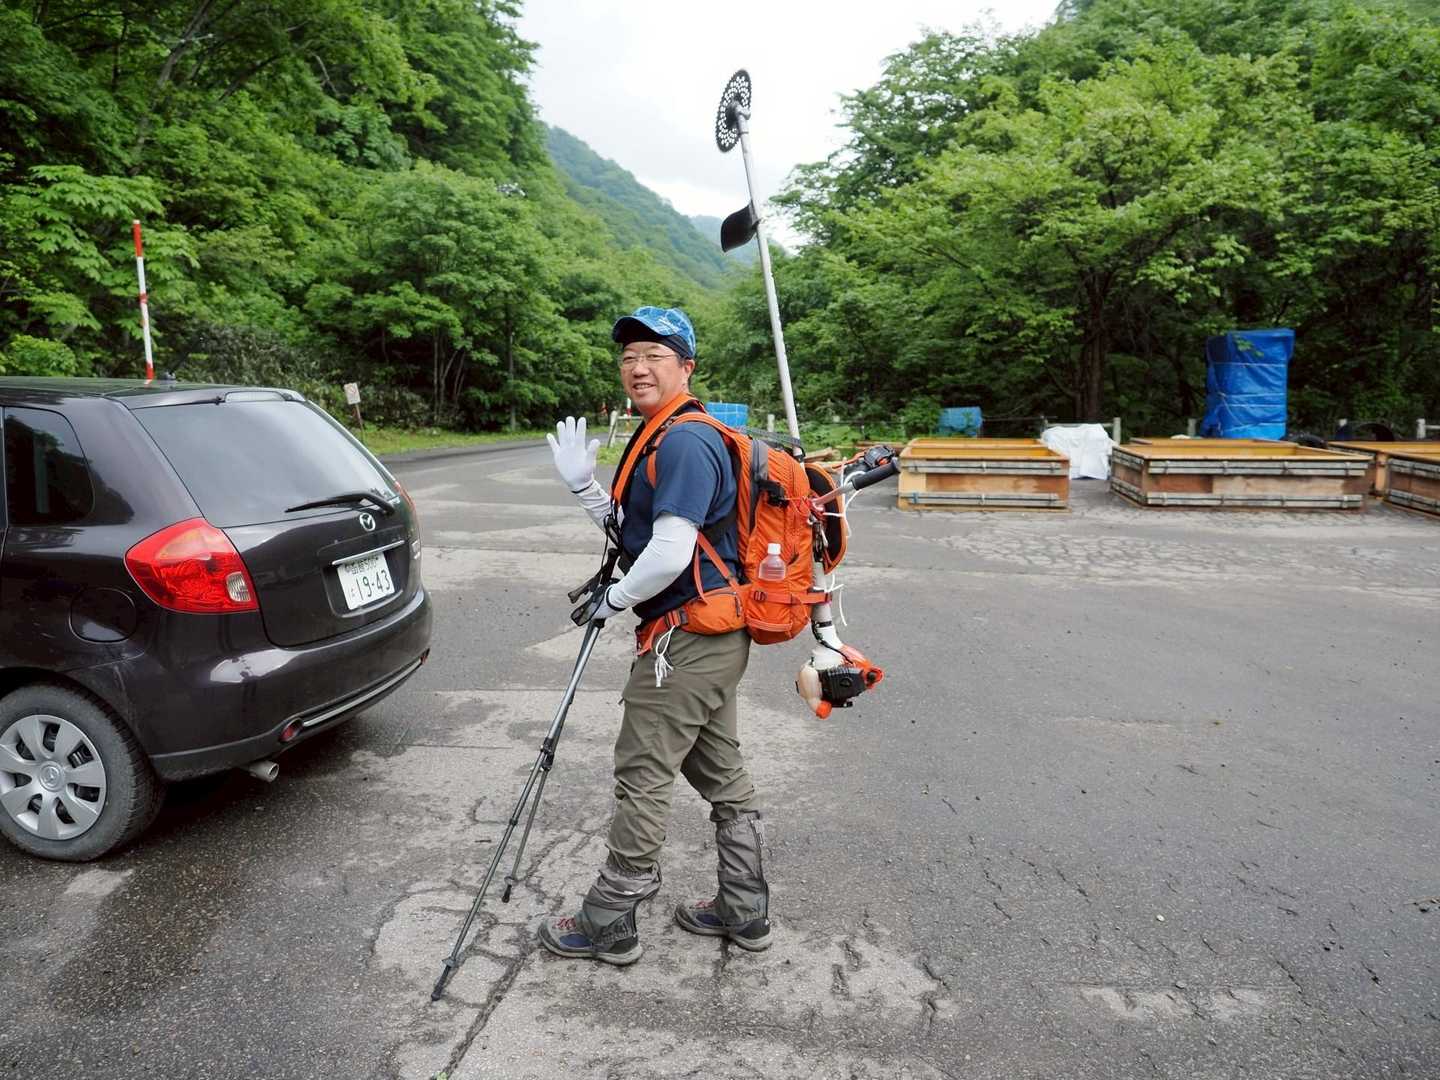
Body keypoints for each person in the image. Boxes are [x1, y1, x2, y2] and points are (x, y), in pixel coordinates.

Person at [539, 305, 770, 965]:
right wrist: (584, 487)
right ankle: (745, 911)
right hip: (709, 638)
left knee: (642, 772)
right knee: (719, 771)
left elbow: (669, 554)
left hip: (686, 642)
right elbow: (637, 535)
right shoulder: (661, 433)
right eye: (629, 356)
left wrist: (611, 602)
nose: (637, 367)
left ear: (686, 367)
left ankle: (609, 920)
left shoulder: (686, 442)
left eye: (654, 356)